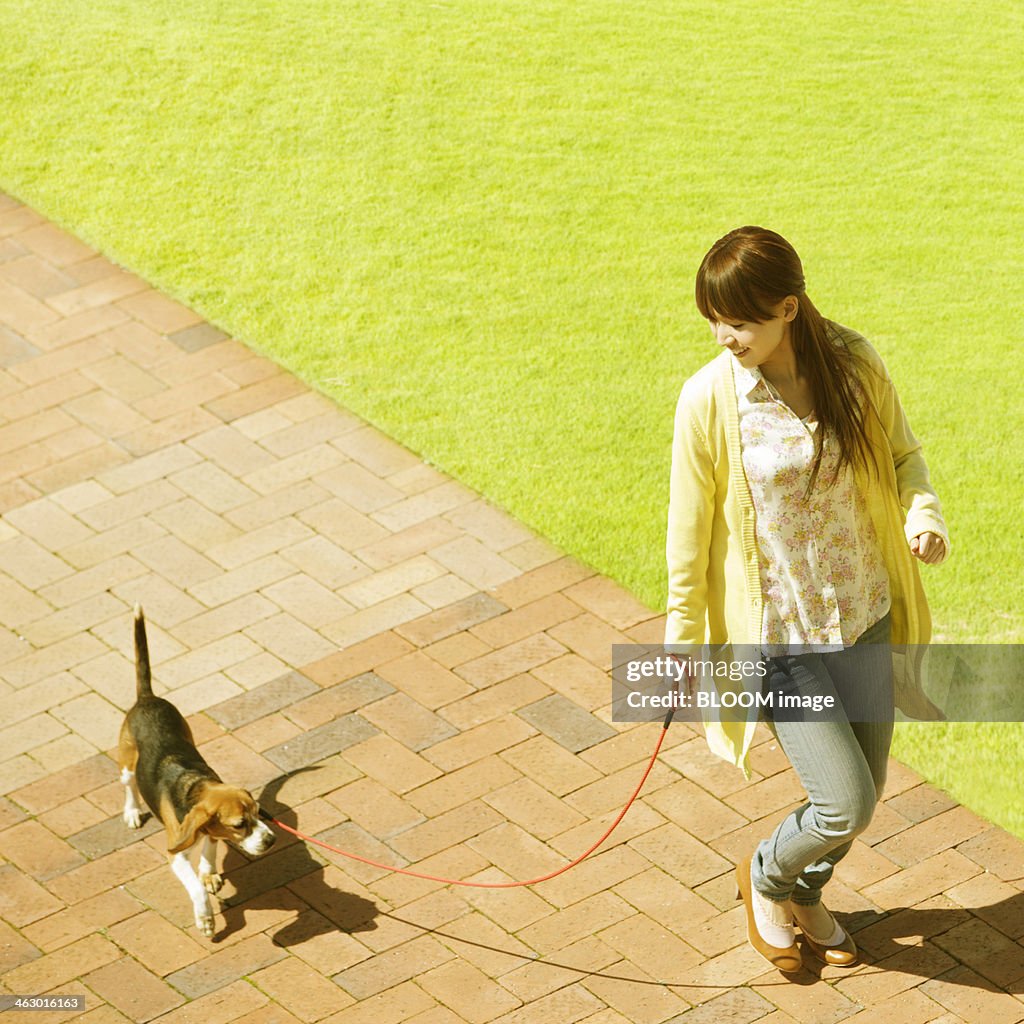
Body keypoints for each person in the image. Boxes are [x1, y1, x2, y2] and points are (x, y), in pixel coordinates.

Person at [665, 226, 949, 973]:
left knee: (866, 790)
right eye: (713, 320)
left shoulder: (853, 365)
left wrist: (923, 516)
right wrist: (679, 640)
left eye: (741, 321)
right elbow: (687, 536)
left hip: (866, 612)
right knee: (844, 801)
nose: (725, 336)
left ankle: (806, 892)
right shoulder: (708, 401)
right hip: (784, 640)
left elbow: (903, 454)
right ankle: (766, 878)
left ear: (788, 308)